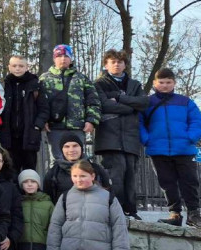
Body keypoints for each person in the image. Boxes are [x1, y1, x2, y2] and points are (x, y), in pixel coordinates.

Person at [91, 50, 148, 220]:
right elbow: (103, 105)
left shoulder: (135, 84)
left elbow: (143, 103)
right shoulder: (99, 84)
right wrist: (130, 105)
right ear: (106, 64)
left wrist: (118, 98)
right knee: (115, 176)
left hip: (130, 138)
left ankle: (131, 210)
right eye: (112, 61)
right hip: (109, 138)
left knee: (130, 175)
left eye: (120, 62)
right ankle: (116, 209)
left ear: (125, 64)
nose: (117, 64)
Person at [141, 67, 201, 227]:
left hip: (184, 149)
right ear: (155, 83)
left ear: (174, 83)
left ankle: (194, 213)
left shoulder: (185, 101)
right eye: (161, 82)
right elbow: (139, 122)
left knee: (189, 181)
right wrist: (146, 139)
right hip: (158, 149)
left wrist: (191, 137)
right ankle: (175, 214)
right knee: (167, 182)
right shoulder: (148, 102)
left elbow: (196, 120)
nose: (165, 85)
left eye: (168, 82)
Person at [40, 44, 101, 161]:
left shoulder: (81, 78)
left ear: (71, 58)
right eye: (59, 56)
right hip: (54, 127)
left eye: (66, 56)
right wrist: (43, 121)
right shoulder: (44, 79)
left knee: (78, 160)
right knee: (57, 160)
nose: (63, 59)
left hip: (77, 127)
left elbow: (93, 101)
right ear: (54, 58)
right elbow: (39, 103)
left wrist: (91, 121)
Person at [0, 55, 47, 172]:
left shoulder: (35, 85)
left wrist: (37, 126)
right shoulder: (4, 85)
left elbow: (44, 108)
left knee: (29, 170)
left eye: (21, 66)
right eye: (14, 66)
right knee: (10, 170)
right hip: (9, 137)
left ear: (27, 67)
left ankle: (29, 190)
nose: (17, 68)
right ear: (9, 67)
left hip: (29, 135)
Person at [43, 133, 111, 203]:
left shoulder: (96, 169)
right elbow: (47, 201)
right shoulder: (53, 173)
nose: (71, 150)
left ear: (81, 148)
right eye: (67, 146)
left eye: (75, 146)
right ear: (62, 150)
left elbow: (109, 195)